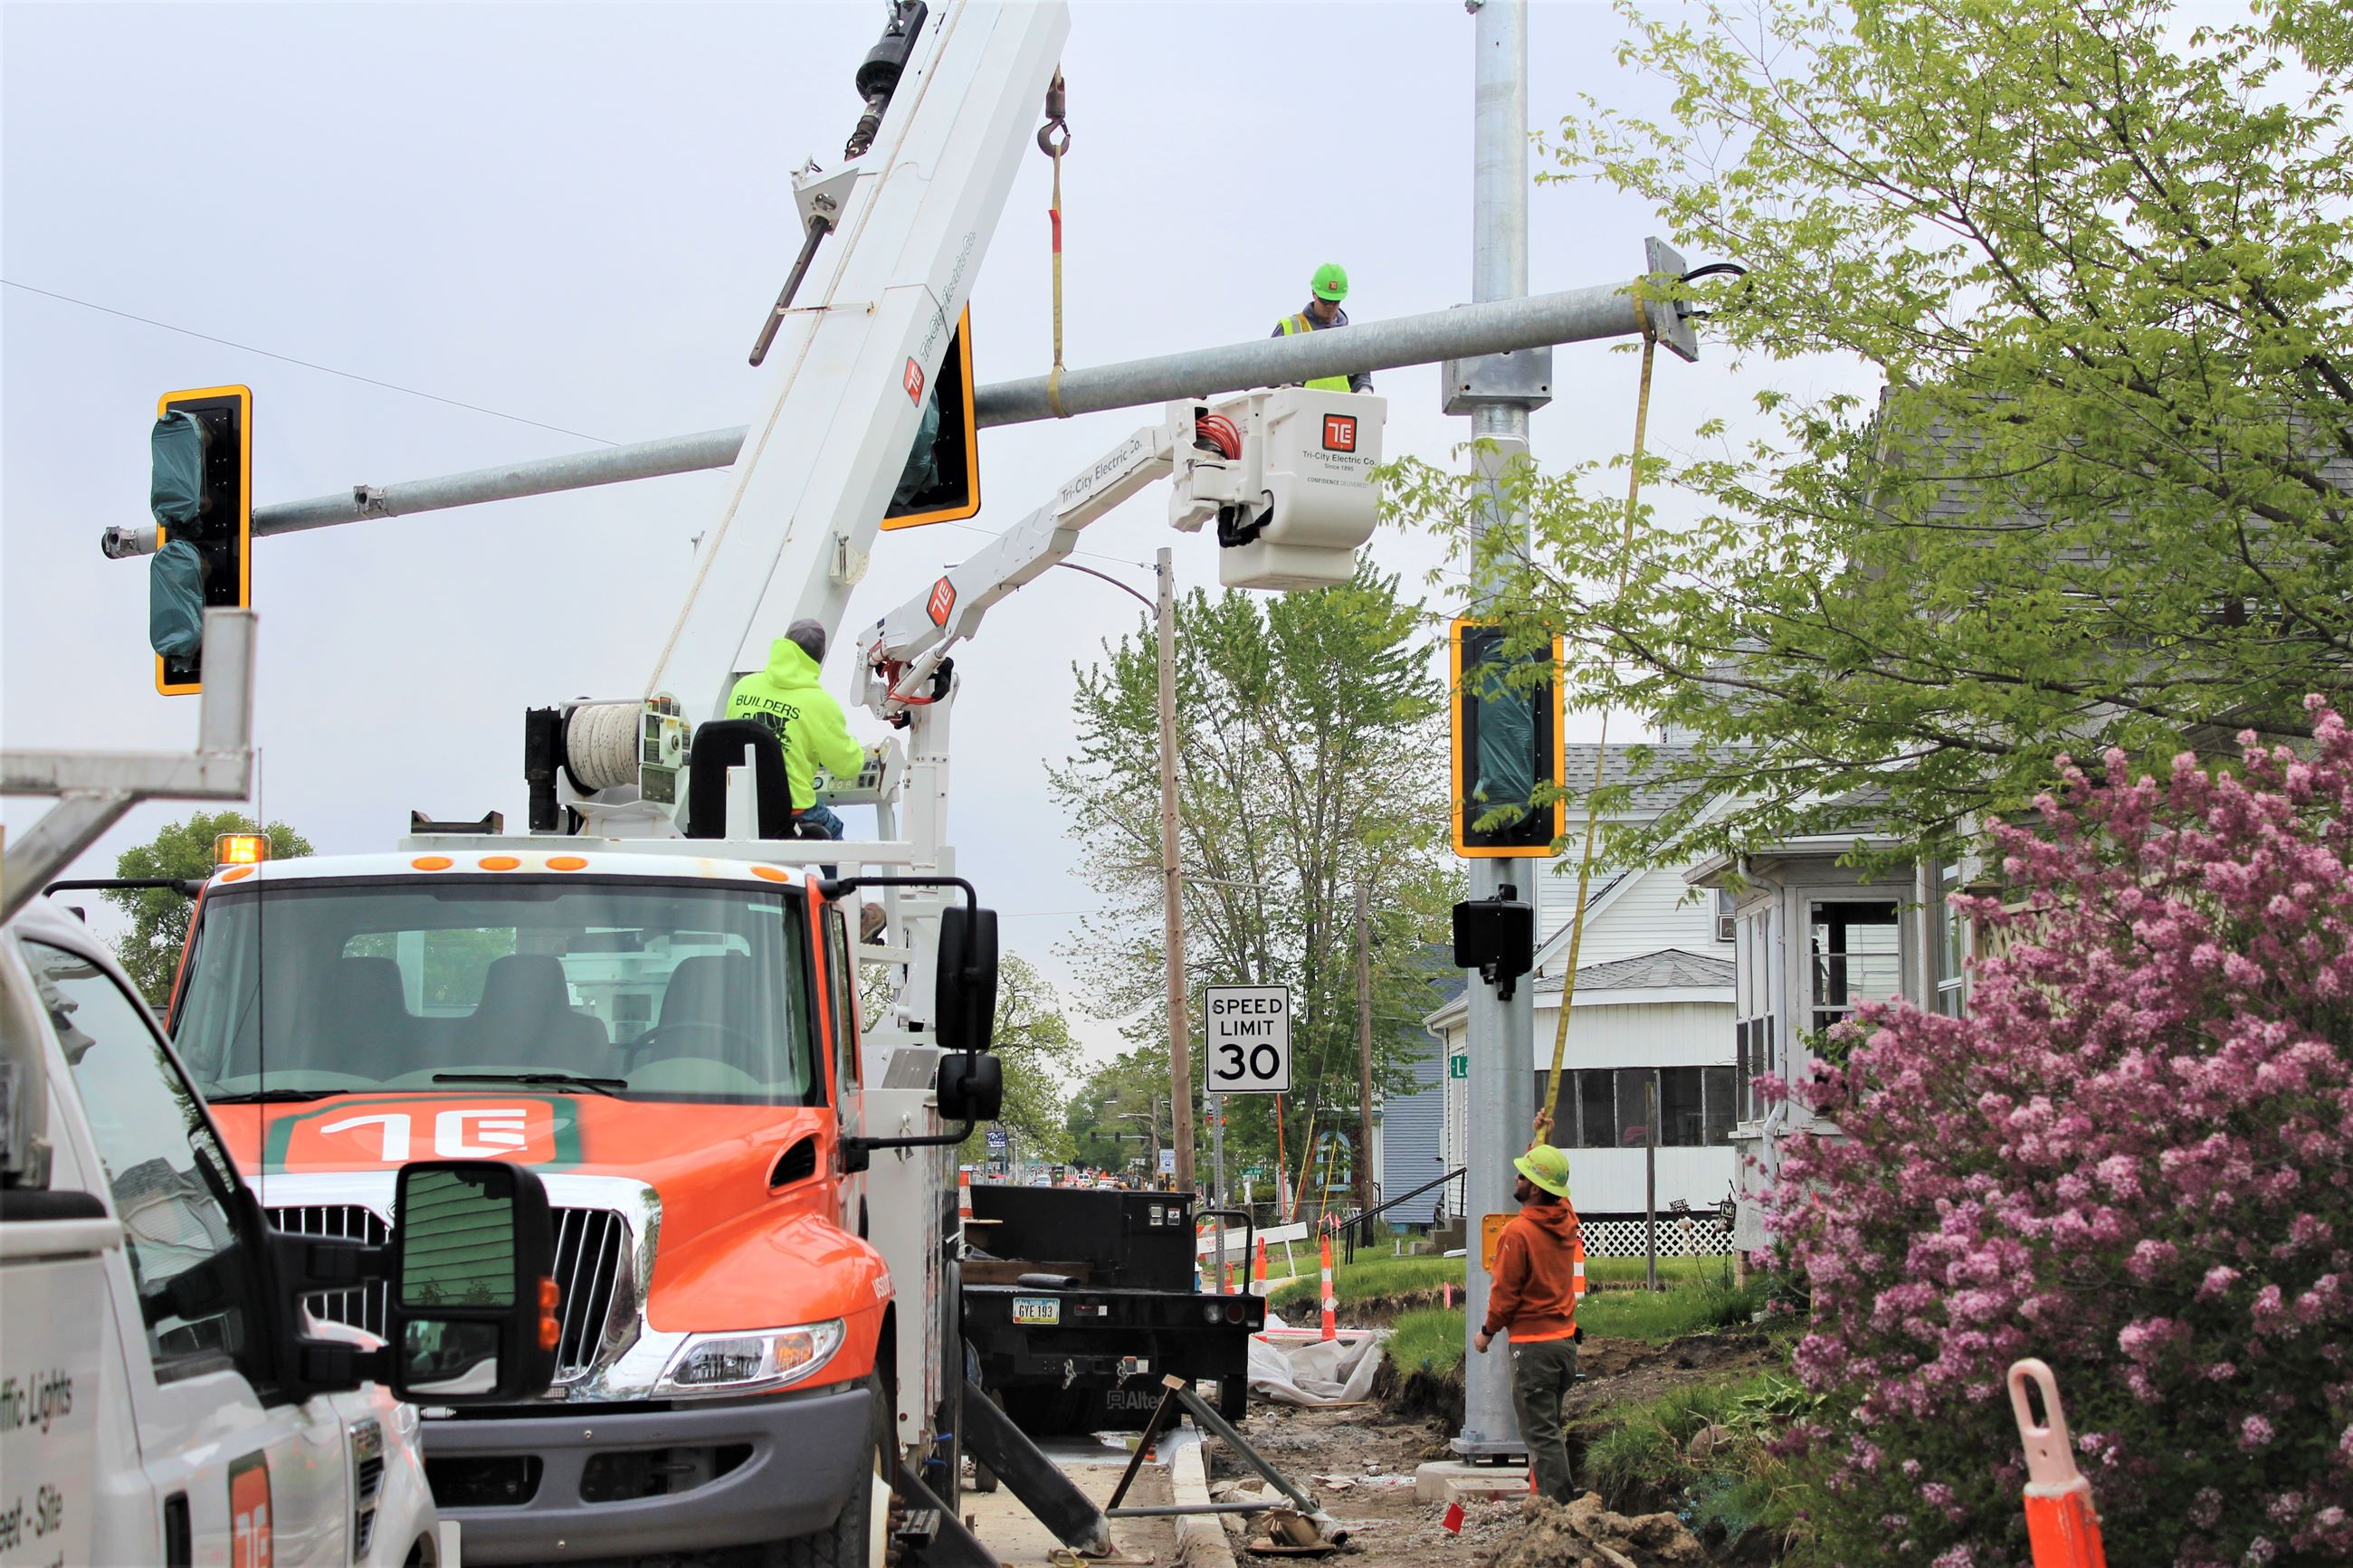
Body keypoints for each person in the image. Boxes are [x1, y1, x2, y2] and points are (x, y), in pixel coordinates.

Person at [1472, 1144, 1586, 1504]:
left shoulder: (1517, 1234)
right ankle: (1548, 1493)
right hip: (1563, 1346)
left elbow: (1505, 1294)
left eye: (1523, 1175)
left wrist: (1486, 1332)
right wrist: (1540, 1144)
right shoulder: (1565, 1221)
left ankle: (1560, 1511)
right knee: (1549, 1427)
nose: (1516, 1179)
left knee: (1541, 1434)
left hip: (1533, 1349)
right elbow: (1559, 1196)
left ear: (1535, 1188)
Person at [723, 617, 868, 840]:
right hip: (791, 811)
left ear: (785, 644)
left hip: (739, 807)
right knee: (834, 830)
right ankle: (840, 876)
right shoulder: (820, 704)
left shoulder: (743, 687)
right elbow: (850, 766)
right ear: (818, 658)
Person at [1271, 263, 1372, 394]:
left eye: (1335, 301)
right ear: (1314, 294)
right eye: (1325, 301)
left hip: (1340, 411)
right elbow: (1267, 371)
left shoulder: (1350, 337)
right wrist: (1282, 380)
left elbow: (1361, 376)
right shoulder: (1290, 327)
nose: (1330, 307)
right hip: (1300, 409)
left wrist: (1364, 389)